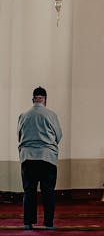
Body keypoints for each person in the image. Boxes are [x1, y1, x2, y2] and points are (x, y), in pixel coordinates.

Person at [18, 87, 62, 231]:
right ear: (45, 99)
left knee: (29, 191)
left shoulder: (23, 115)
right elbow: (58, 136)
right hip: (47, 158)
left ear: (33, 99)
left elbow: (19, 136)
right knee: (48, 192)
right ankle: (48, 223)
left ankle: (28, 223)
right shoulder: (51, 115)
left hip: (28, 158)